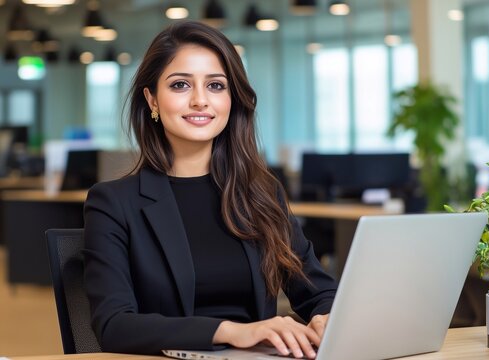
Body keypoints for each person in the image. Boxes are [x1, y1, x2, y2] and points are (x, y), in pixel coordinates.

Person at [83, 20, 337, 359]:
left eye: (216, 86)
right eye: (180, 85)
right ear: (152, 99)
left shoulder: (261, 192)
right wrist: (234, 332)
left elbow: (316, 289)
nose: (201, 100)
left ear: (232, 99)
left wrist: (326, 316)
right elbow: (114, 326)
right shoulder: (113, 203)